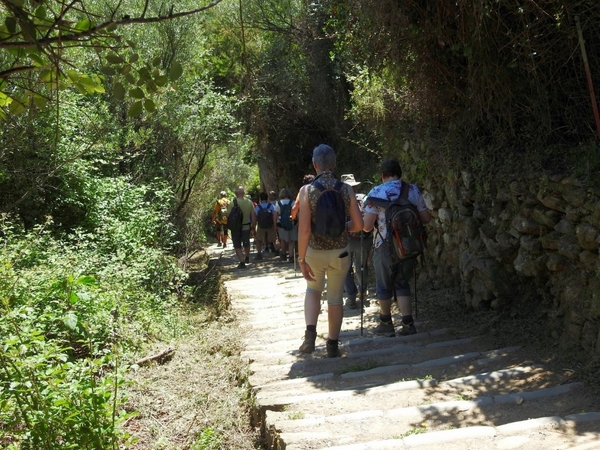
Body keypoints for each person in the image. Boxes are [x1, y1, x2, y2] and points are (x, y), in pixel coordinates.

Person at [297, 144, 364, 357]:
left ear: (315, 165)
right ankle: (333, 345)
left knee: (313, 291)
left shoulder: (307, 191)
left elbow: (305, 229)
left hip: (314, 252)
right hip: (340, 252)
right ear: (334, 164)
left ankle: (310, 337)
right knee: (335, 298)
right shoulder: (346, 189)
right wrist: (343, 228)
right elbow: (359, 225)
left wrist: (301, 259)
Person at [362, 159, 431, 336]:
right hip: (407, 245)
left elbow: (367, 227)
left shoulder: (376, 192)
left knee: (383, 284)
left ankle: (386, 323)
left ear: (382, 175)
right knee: (402, 282)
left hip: (383, 245)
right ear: (399, 173)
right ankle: (408, 323)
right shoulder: (412, 190)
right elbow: (425, 218)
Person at [340, 174, 373, 309]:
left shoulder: (337, 199)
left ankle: (351, 297)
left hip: (344, 239)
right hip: (362, 239)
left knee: (345, 269)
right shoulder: (363, 197)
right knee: (361, 266)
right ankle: (363, 291)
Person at [228, 186, 256, 269]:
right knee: (246, 242)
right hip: (246, 226)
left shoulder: (232, 202)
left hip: (236, 228)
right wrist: (253, 226)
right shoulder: (249, 202)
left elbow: (228, 215)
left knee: (237, 245)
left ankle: (242, 261)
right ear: (244, 193)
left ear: (236, 193)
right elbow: (253, 215)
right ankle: (247, 256)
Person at [254, 192, 276, 261]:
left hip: (261, 226)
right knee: (274, 239)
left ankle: (259, 253)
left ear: (260, 199)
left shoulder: (258, 207)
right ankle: (278, 250)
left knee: (258, 239)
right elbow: (274, 215)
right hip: (270, 225)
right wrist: (275, 225)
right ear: (267, 198)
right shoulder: (271, 206)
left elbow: (255, 217)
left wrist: (254, 226)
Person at [274, 188, 295, 262]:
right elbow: (296, 213)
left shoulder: (278, 203)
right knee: (291, 241)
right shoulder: (293, 202)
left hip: (281, 224)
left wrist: (275, 225)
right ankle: (291, 256)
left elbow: (275, 214)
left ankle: (283, 254)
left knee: (282, 240)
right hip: (291, 223)